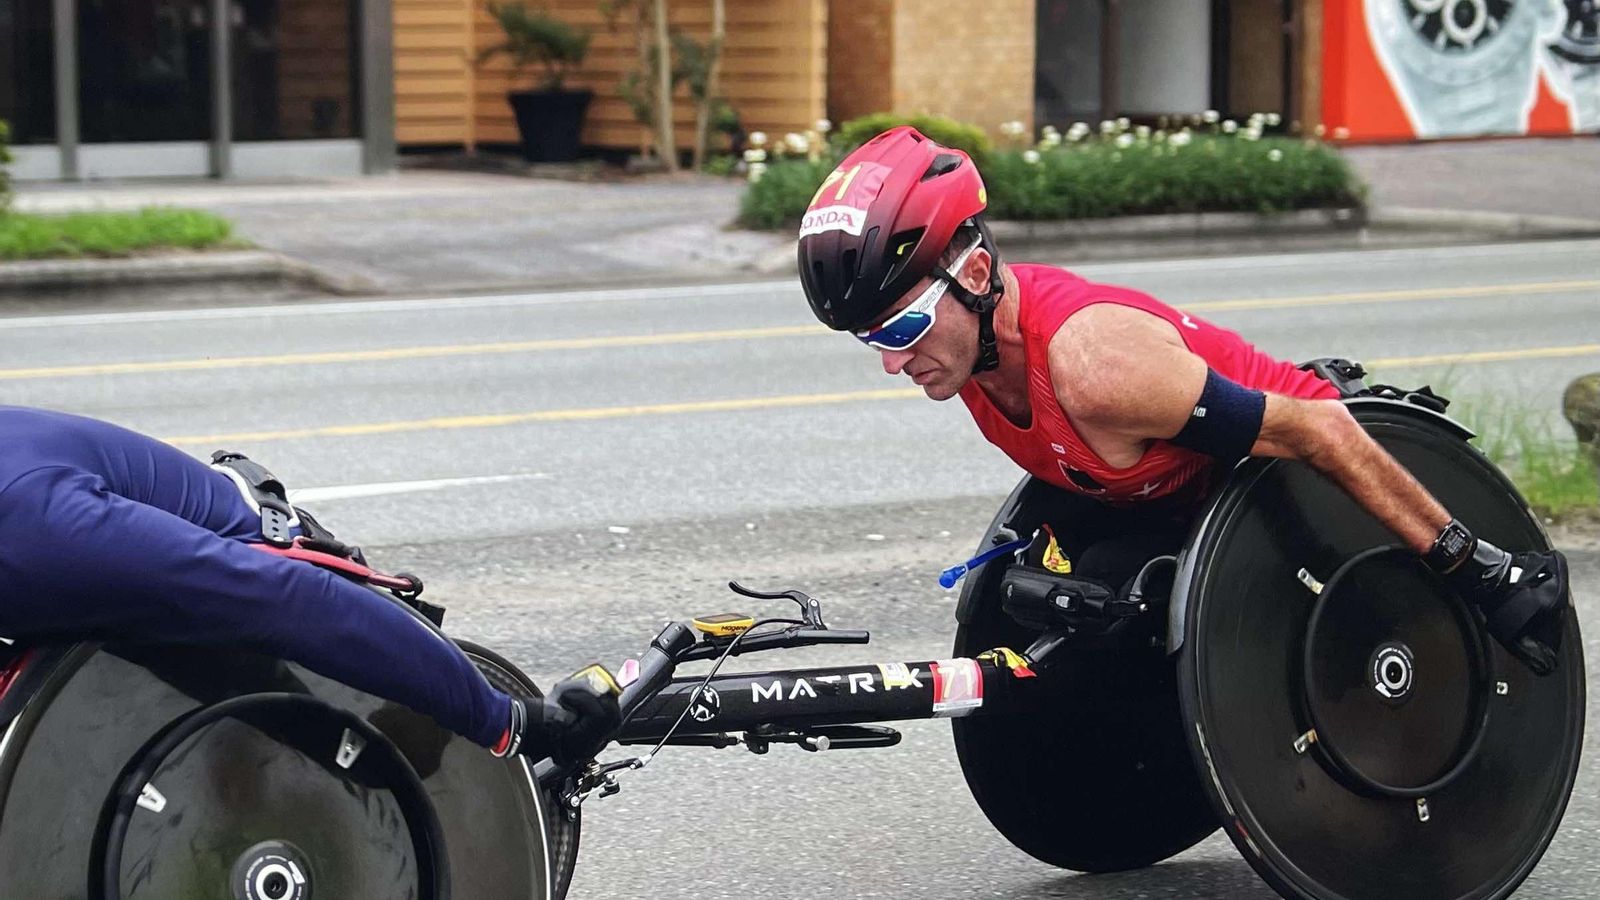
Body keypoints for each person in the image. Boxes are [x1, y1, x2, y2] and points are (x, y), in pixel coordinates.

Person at [796, 126, 1569, 674]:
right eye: (873, 339)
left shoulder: (1095, 367)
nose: (893, 362)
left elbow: (1318, 431)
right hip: (1192, 501)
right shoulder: (966, 355)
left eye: (900, 326)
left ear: (971, 275)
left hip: (1320, 482)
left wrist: (1478, 569)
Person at [0, 405, 620, 762]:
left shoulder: (44, 536)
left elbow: (288, 600)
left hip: (262, 580)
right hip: (102, 568)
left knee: (382, 766)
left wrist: (511, 722)